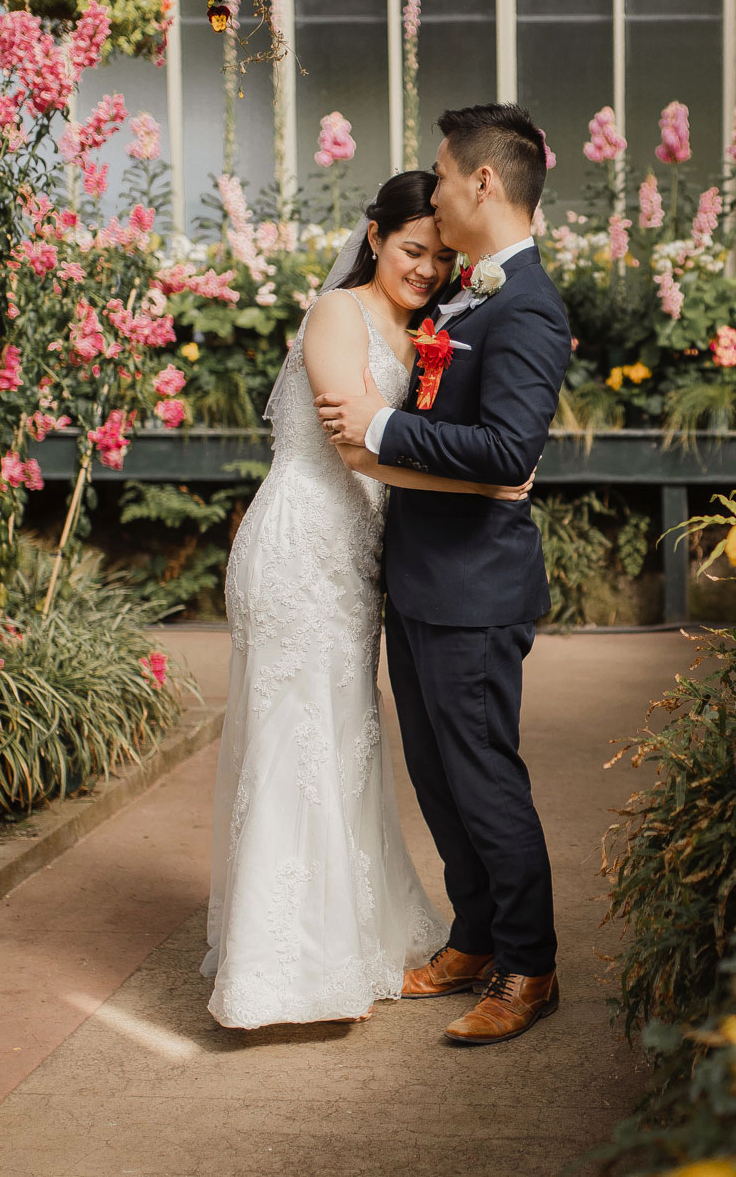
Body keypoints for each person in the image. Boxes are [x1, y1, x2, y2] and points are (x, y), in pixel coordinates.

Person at [203, 170, 534, 1030]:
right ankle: (276, 966)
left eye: (437, 255)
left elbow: (462, 430)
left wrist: (484, 470)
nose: (424, 269)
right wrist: (490, 487)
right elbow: (353, 450)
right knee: (295, 735)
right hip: (302, 544)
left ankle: (347, 932)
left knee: (344, 735)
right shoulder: (337, 314)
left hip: (363, 558)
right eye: (410, 249)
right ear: (375, 236)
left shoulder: (437, 323)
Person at [315, 103, 573, 1045]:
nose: (433, 183)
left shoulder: (529, 307)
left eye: (441, 169)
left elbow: (509, 448)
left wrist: (379, 428)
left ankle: (529, 965)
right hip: (423, 576)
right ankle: (472, 935)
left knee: (482, 776)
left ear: (483, 183)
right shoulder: (471, 296)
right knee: (437, 772)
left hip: (474, 589)